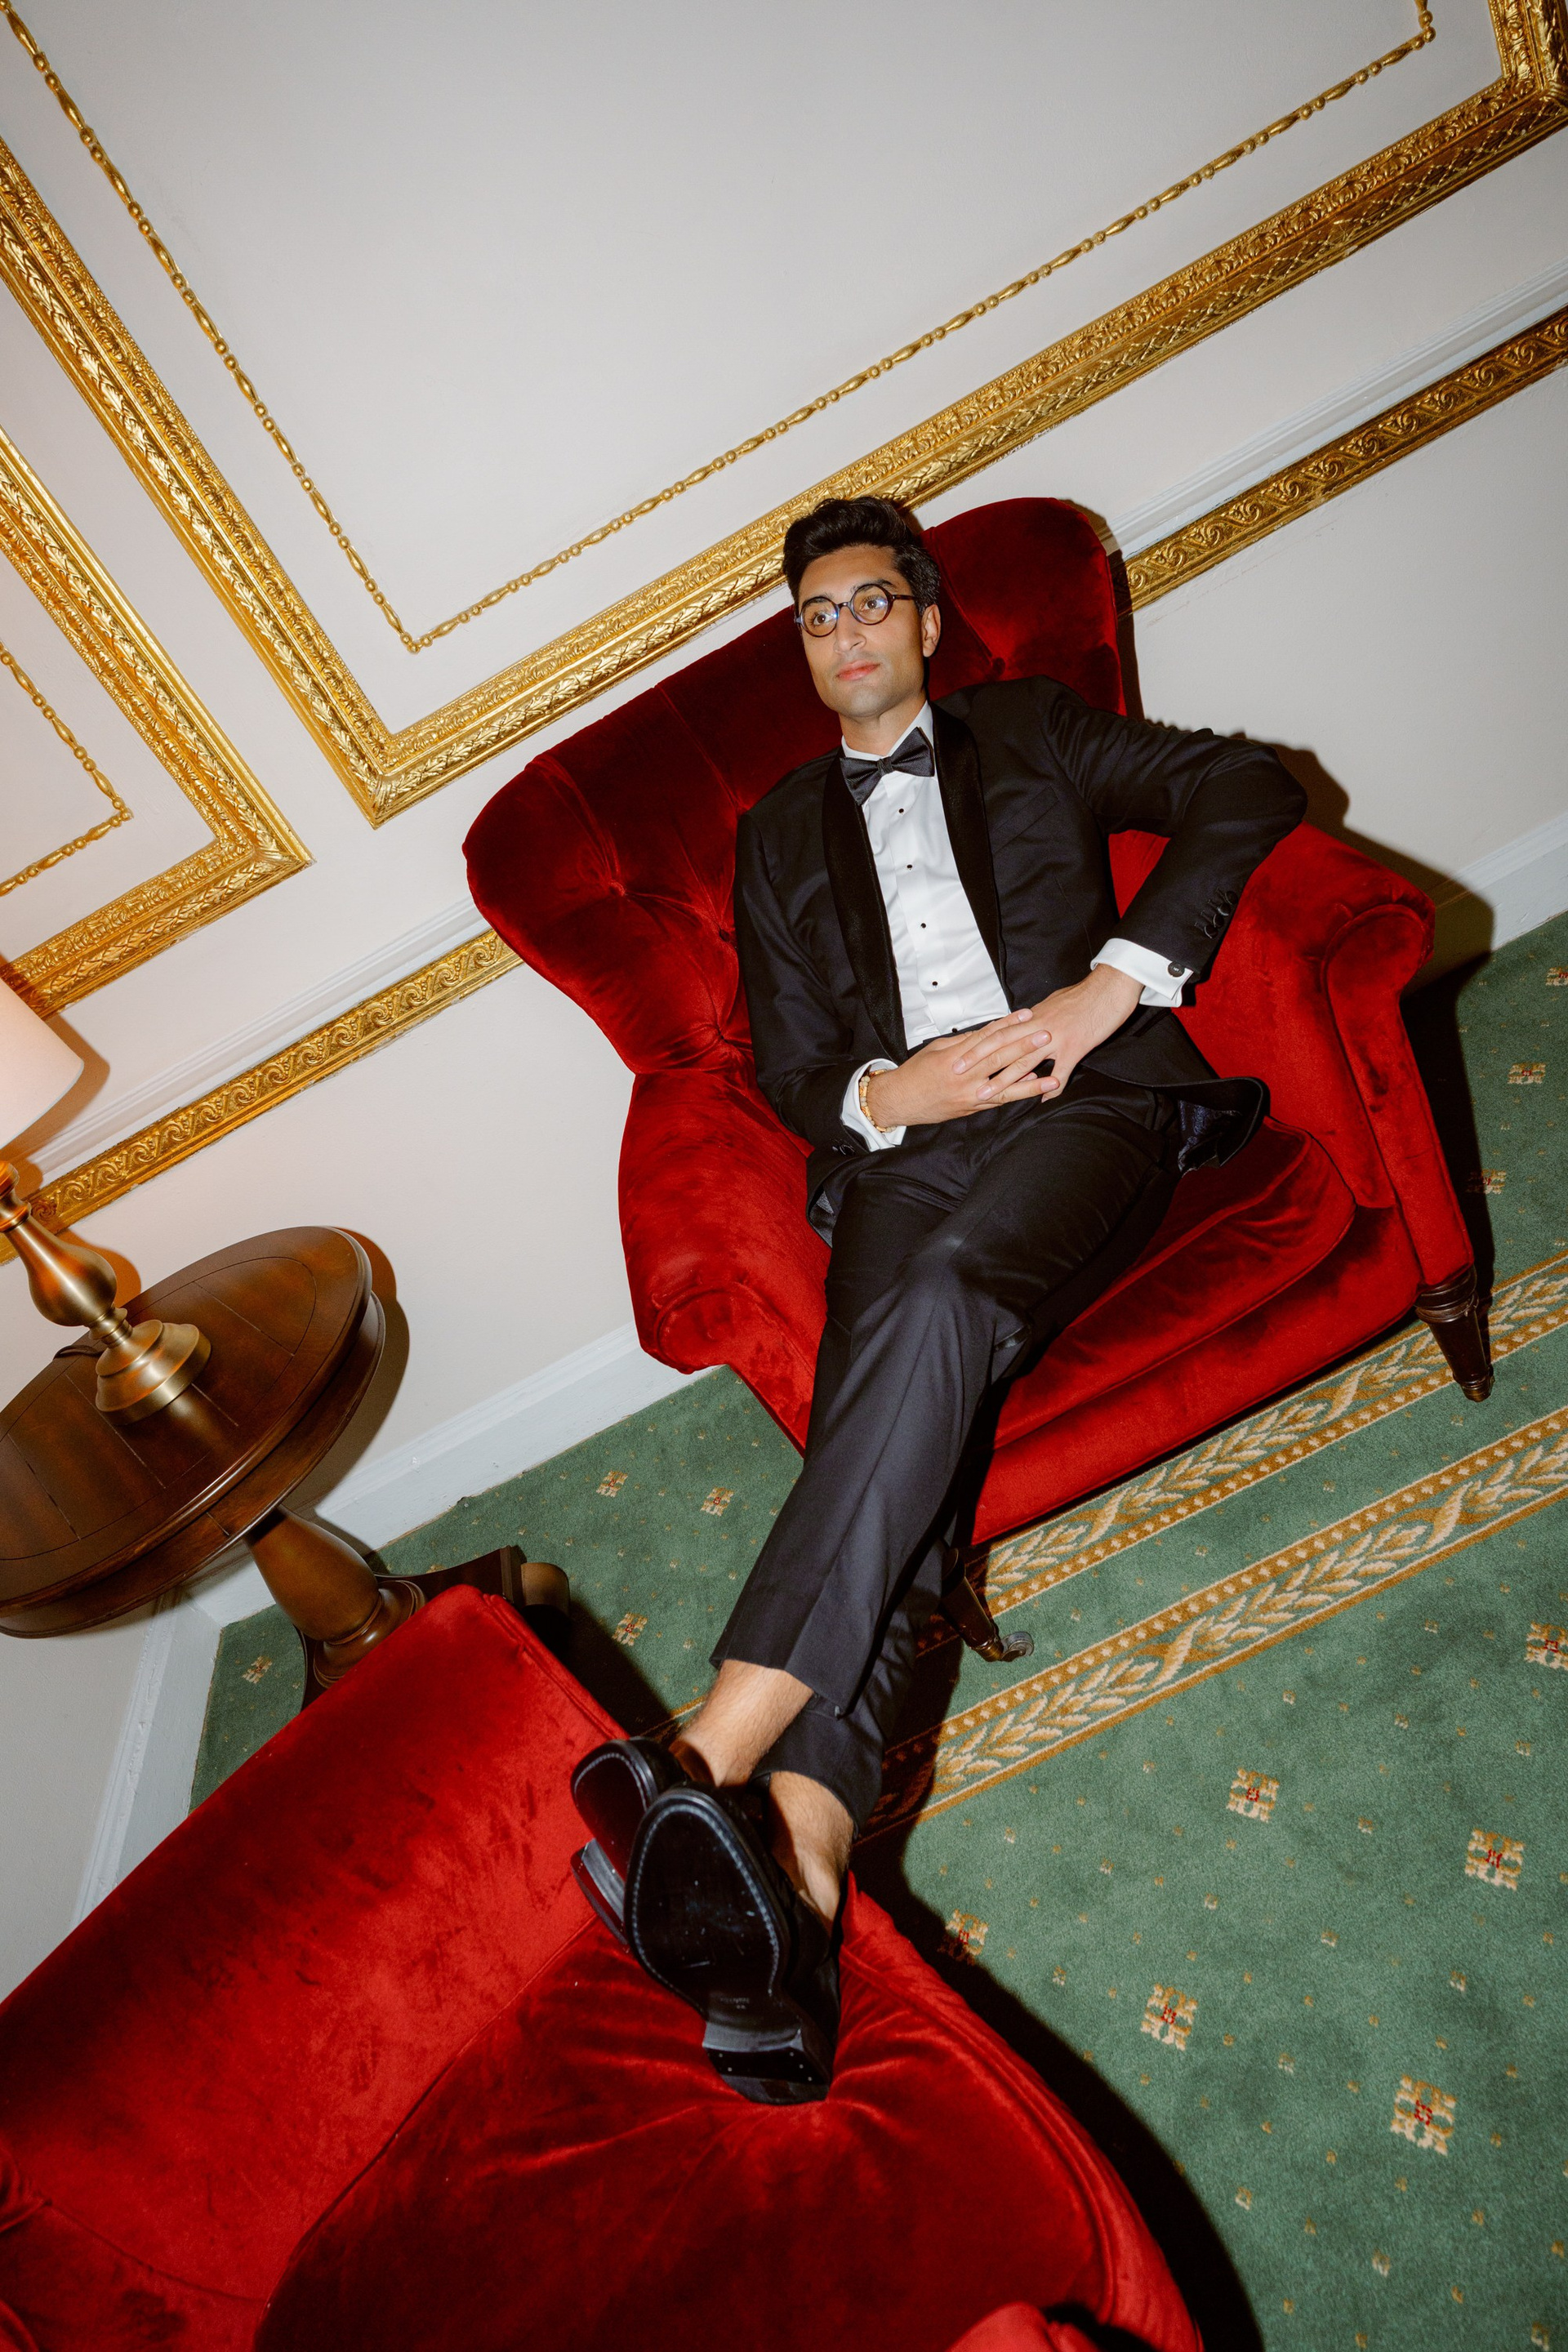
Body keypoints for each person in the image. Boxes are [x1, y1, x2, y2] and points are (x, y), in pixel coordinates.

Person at [571, 495, 1305, 2103]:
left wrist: (1112, 990)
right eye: (816, 617)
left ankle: (707, 1748)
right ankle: (806, 1878)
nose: (844, 634)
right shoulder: (777, 832)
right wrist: (890, 1100)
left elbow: (1248, 785)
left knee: (952, 1302)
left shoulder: (1028, 728)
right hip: (908, 1152)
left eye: (868, 603)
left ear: (922, 618)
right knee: (890, 1424)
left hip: (1084, 1103)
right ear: (805, 650)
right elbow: (789, 1063)